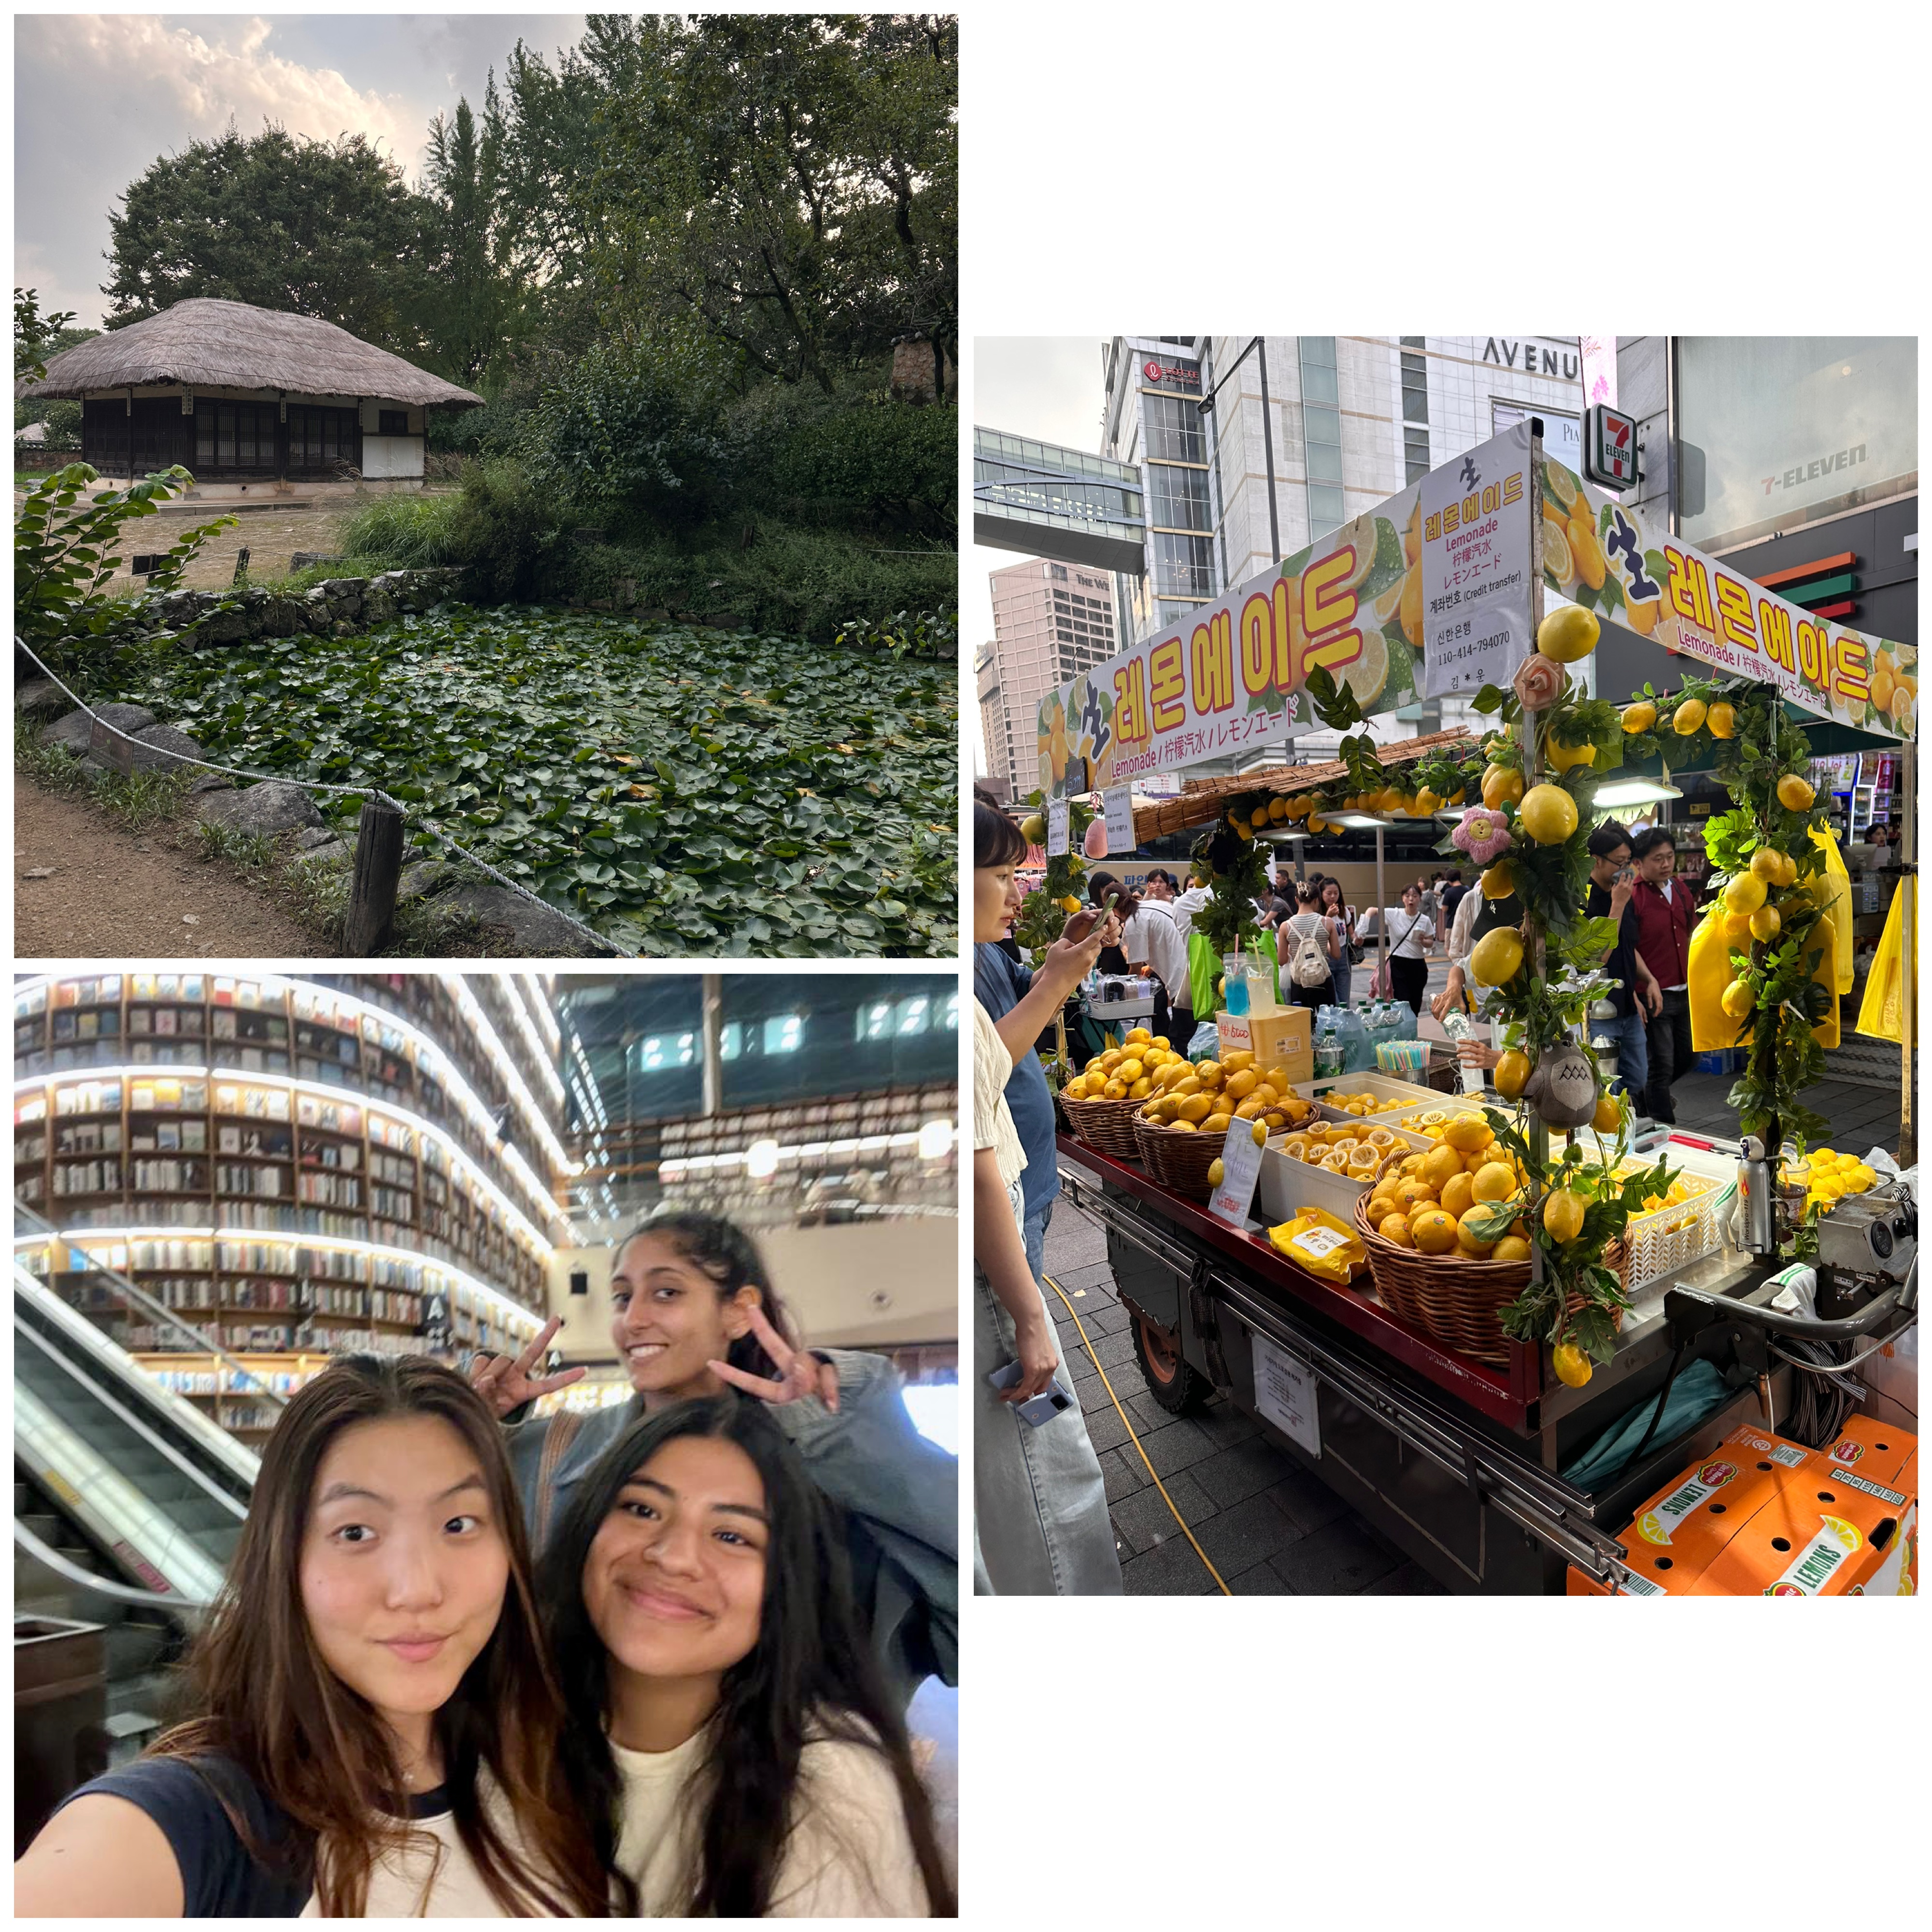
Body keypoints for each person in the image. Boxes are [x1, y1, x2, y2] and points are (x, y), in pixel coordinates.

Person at [15, 1356, 608, 1918]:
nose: (416, 1589)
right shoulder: (209, 1820)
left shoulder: (542, 1763)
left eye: (458, 1523)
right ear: (285, 1560)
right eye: (355, 1532)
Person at [474, 1211, 959, 1711]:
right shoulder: (557, 1455)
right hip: (583, 1766)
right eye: (622, 1297)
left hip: (785, 1768)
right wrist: (472, 1425)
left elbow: (961, 1607)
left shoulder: (823, 1464)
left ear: (737, 1311)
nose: (633, 1318)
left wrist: (832, 1426)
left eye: (666, 1292)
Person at [538, 1398, 953, 1917]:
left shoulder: (830, 1790)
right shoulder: (509, 1726)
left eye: (731, 1535)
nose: (672, 1555)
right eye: (642, 1509)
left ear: (786, 1583)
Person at [972, 799, 1121, 1595]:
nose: (1015, 890)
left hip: (1017, 1218)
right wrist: (1029, 1312)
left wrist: (1054, 972)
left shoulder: (984, 951)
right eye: (1001, 875)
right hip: (996, 1259)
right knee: (1039, 1443)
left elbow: (990, 1050)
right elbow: (974, 1159)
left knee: (1031, 1449)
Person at [1586, 820, 1661, 1101]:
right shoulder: (1587, 898)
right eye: (1619, 863)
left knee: (1637, 1077)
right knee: (1607, 1088)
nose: (1626, 870)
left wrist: (1647, 981)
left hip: (1628, 1006)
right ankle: (1610, 1138)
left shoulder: (1623, 893)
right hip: (1600, 1013)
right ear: (1596, 861)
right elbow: (1598, 958)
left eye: (1629, 861)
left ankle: (1624, 1126)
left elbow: (1627, 947)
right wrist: (1616, 905)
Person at [1630, 824, 1695, 1126]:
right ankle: (1663, 1125)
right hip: (1655, 992)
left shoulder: (1681, 890)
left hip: (1686, 989)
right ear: (1639, 863)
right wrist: (1642, 985)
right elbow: (1627, 945)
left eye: (1669, 857)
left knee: (1690, 1057)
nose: (1666, 864)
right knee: (1662, 1065)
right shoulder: (1634, 895)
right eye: (1658, 859)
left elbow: (1693, 931)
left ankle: (1647, 1095)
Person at [1119, 873, 1192, 1049]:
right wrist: (1152, 967)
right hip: (1193, 965)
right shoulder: (1153, 905)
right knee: (1186, 1030)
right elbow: (1165, 938)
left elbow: (1135, 971)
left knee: (1179, 1038)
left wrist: (1121, 995)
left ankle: (1183, 1070)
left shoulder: (1133, 922)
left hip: (1180, 978)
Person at [1362, 881, 1435, 1014]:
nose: (1411, 899)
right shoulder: (1394, 914)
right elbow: (1372, 910)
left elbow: (1431, 941)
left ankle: (1412, 1030)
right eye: (1407, 896)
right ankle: (1403, 1030)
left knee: (1415, 1002)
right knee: (1402, 1000)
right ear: (1403, 898)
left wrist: (1424, 941)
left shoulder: (1424, 920)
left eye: (1415, 896)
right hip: (1399, 964)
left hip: (1418, 964)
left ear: (1420, 898)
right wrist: (1364, 924)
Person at [1279, 881, 1341, 1012]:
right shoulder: (1327, 922)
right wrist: (1323, 946)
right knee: (1328, 1023)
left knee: (1303, 1026)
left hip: (1299, 983)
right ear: (1317, 900)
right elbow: (1336, 955)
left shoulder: (1286, 926)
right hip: (1323, 979)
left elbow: (1282, 960)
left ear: (1296, 900)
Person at [1318, 877, 1354, 1009]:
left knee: (1345, 1001)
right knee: (1334, 1001)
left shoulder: (1344, 912)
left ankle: (1346, 1027)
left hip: (1344, 957)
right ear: (1321, 894)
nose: (1333, 897)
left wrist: (1358, 939)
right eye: (1329, 893)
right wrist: (1328, 916)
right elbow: (1318, 934)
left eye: (1336, 893)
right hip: (1326, 958)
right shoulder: (1318, 914)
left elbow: (1351, 933)